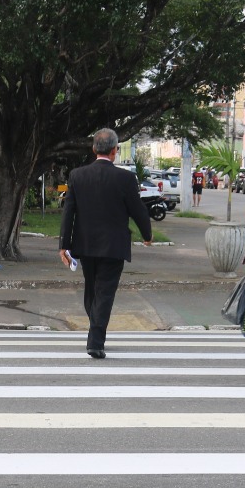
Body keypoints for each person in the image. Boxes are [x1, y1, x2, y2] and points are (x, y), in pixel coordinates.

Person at [59, 128, 152, 358]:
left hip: (85, 245)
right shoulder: (125, 178)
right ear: (114, 151)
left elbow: (68, 212)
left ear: (93, 149)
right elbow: (138, 210)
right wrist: (147, 234)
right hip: (114, 246)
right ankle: (96, 340)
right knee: (105, 292)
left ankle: (95, 330)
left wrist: (64, 244)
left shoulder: (77, 176)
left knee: (92, 290)